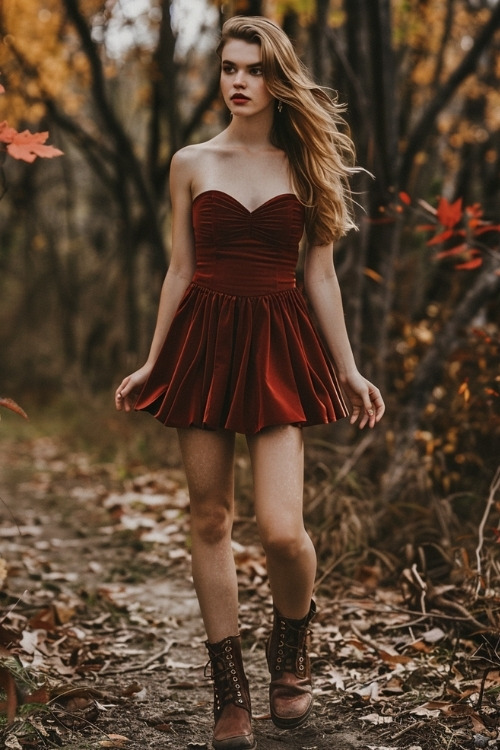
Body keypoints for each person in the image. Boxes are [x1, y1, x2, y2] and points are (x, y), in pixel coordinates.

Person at [115, 15, 385, 750]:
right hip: (204, 342)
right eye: (230, 67)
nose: (239, 81)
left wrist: (349, 367)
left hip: (278, 344)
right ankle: (230, 692)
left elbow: (320, 275)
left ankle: (291, 642)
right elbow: (179, 268)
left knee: (283, 531)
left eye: (254, 69)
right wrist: (152, 358)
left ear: (277, 78)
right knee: (209, 520)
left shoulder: (306, 163)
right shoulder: (189, 161)